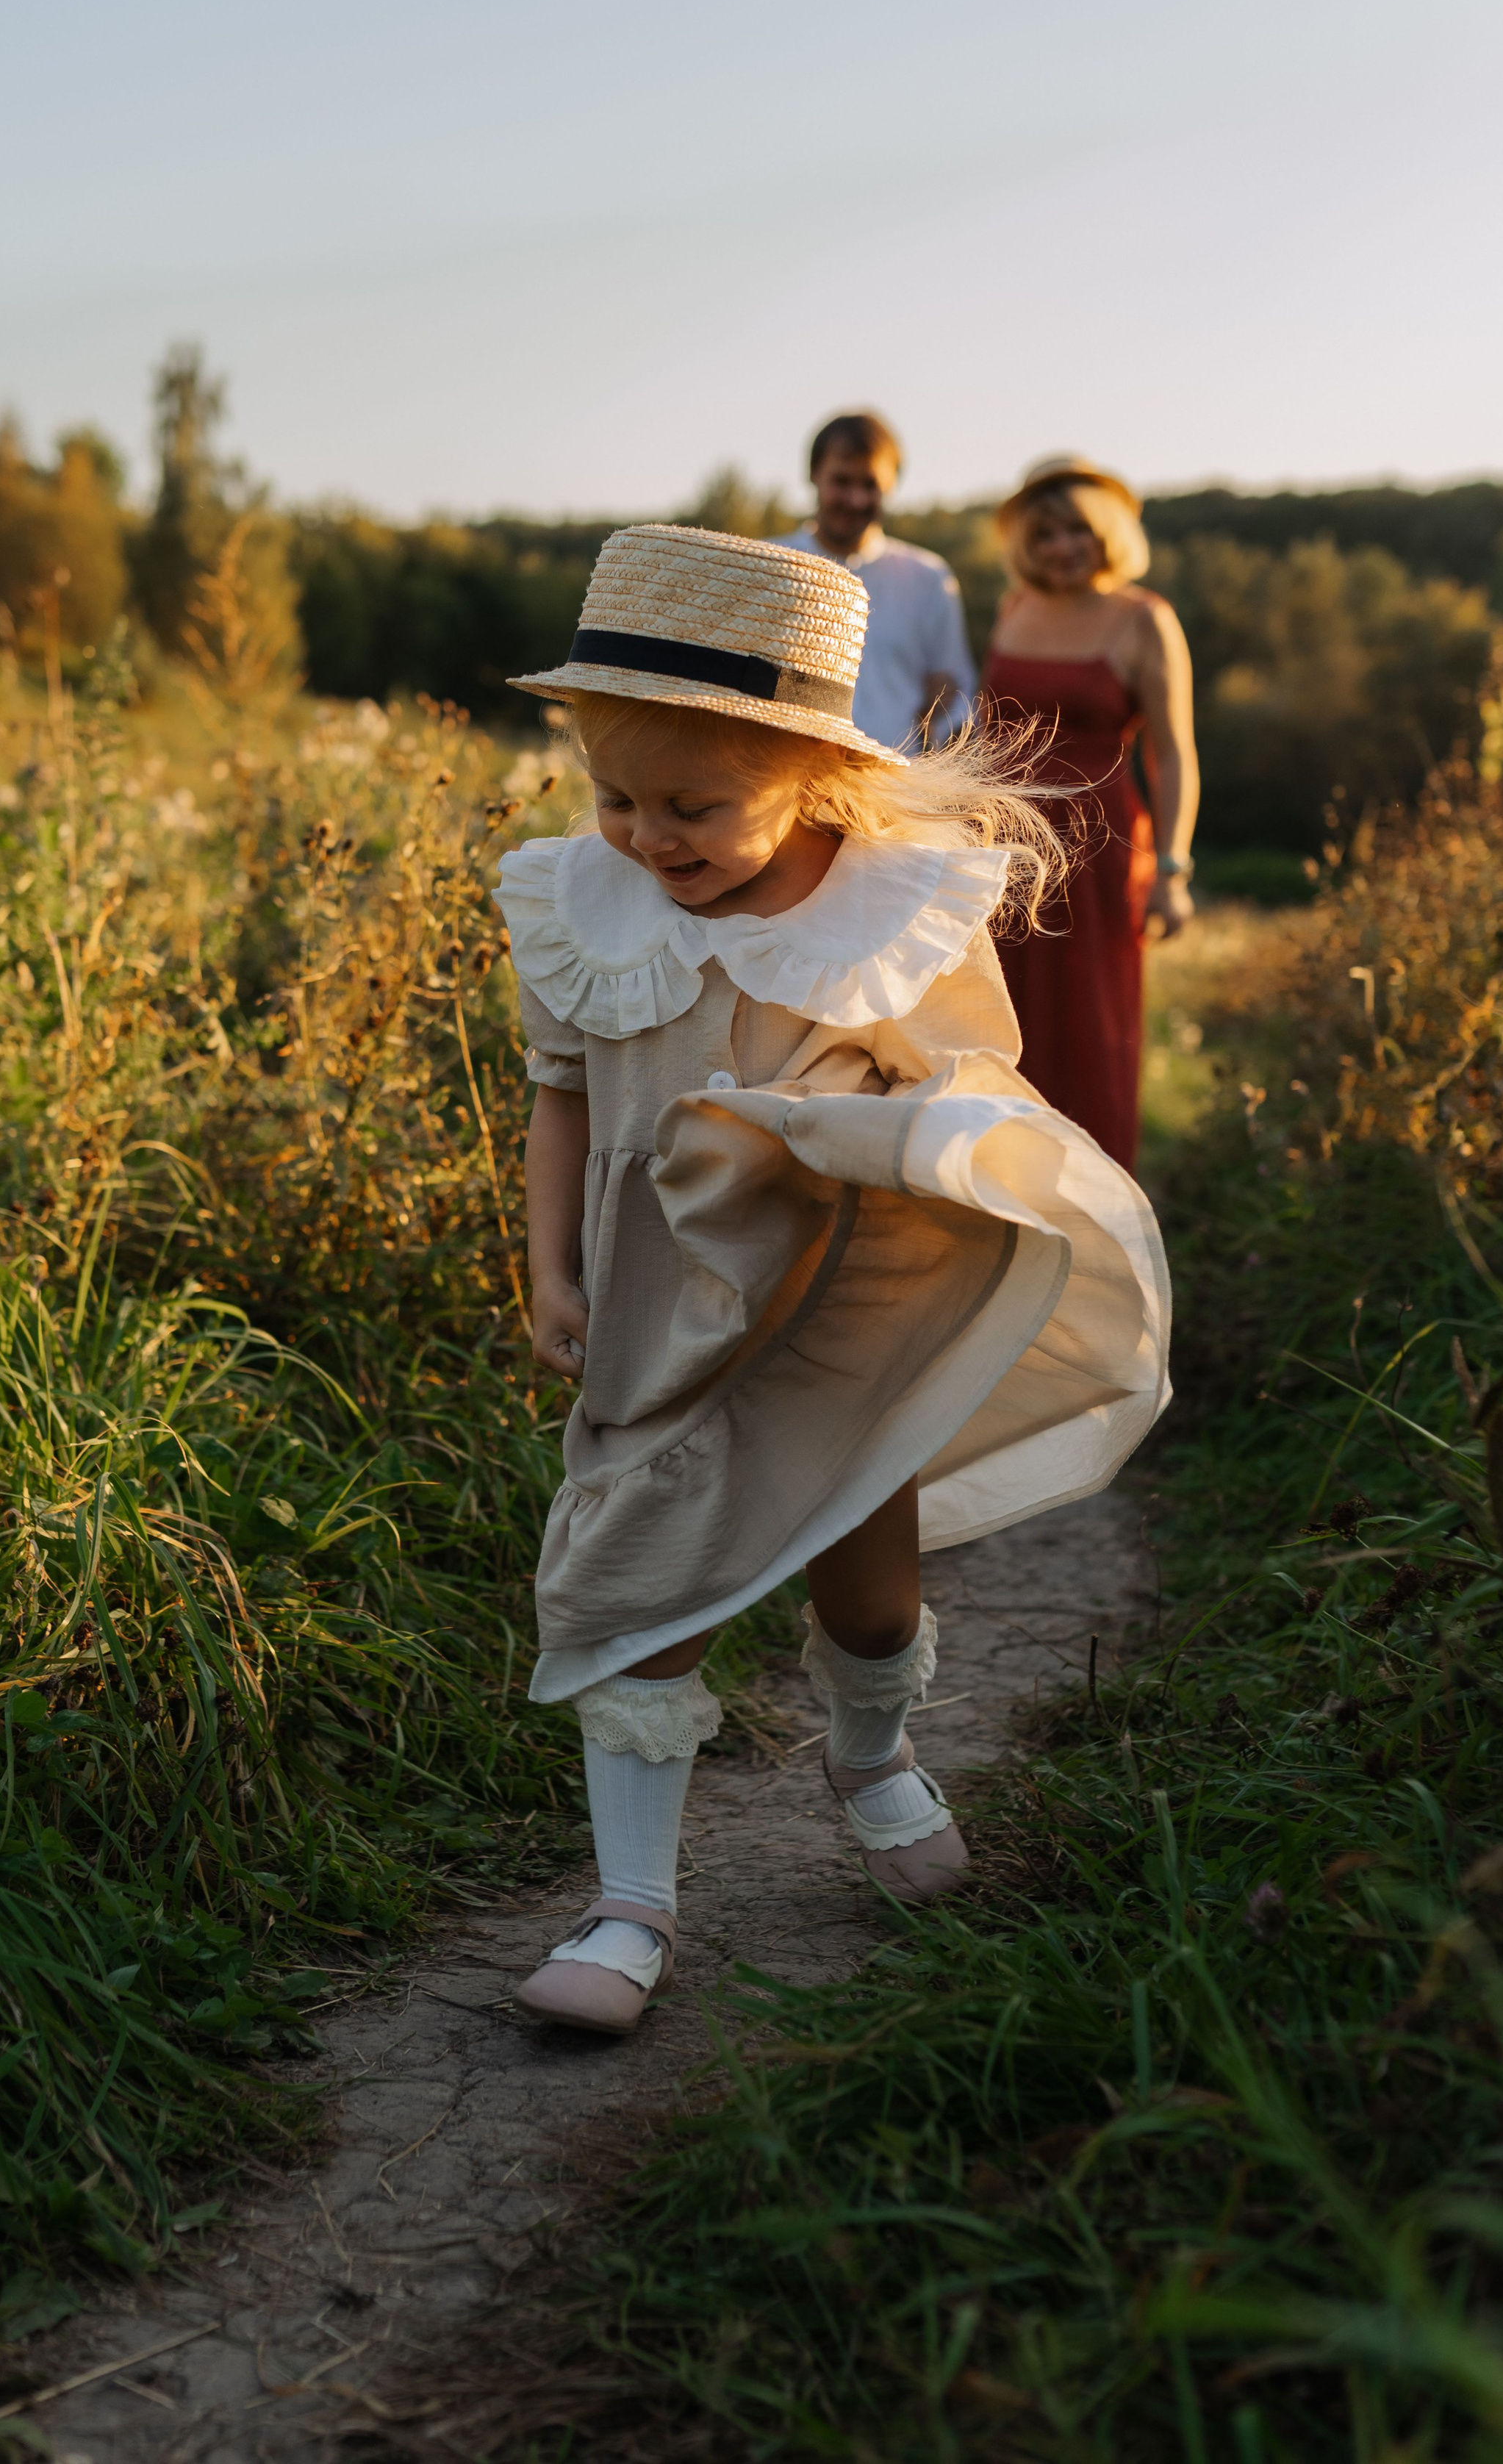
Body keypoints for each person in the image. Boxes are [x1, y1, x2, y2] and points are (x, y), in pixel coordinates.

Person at [492, 522, 1170, 2035]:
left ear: (812, 782)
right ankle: (626, 1907)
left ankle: (869, 1753)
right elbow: (559, 1093)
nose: (648, 836)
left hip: (835, 1299)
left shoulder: (887, 919)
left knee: (866, 1594)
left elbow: (967, 1099)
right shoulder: (584, 906)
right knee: (630, 1577)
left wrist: (843, 1132)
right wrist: (545, 1264)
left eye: (693, 805)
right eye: (614, 795)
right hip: (654, 1301)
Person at [980, 456, 1199, 1173]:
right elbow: (986, 735)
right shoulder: (1013, 609)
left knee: (1091, 1029)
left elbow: (1172, 755)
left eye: (1077, 529)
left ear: (1106, 533)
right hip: (1003, 853)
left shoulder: (1145, 619)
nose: (1060, 547)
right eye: (1043, 535)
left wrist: (1172, 869)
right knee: (1002, 1023)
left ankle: (1097, 1207)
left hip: (1098, 852)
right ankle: (1005, 1196)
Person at [780, 411, 976, 750]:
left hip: (897, 788)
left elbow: (957, 694)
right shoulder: (770, 564)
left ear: (891, 486)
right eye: (842, 481)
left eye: (870, 485)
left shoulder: (930, 578)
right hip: (788, 787)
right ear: (814, 475)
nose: (855, 500)